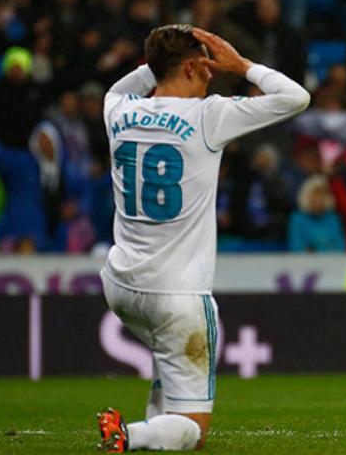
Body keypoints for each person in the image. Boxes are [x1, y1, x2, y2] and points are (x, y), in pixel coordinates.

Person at [96, 24, 310, 452]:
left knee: (167, 364)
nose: (213, 74)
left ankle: (154, 422)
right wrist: (242, 64)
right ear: (193, 66)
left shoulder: (116, 109)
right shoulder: (208, 116)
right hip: (179, 295)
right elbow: (296, 98)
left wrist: (159, 59)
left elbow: (130, 82)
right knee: (192, 431)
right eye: (207, 66)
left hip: (121, 285)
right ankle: (130, 434)